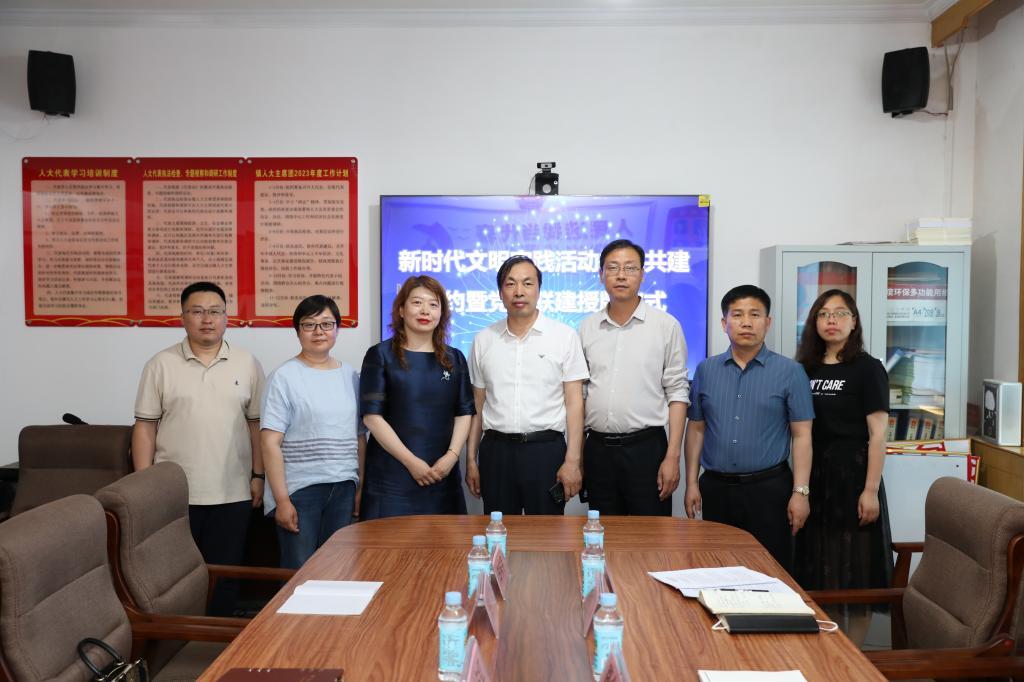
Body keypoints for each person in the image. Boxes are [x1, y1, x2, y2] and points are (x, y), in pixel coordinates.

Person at [133, 281, 265, 615]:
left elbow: (256, 425)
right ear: (183, 317)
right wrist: (144, 486)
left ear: (226, 317)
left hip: (232, 491)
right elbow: (145, 427)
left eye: (215, 311)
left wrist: (258, 475)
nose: (207, 319)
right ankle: (178, 640)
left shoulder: (247, 363)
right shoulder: (160, 364)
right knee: (174, 577)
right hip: (174, 493)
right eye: (197, 311)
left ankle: (217, 639)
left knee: (226, 574)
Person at [683, 285, 814, 572]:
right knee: (717, 569)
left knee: (770, 571)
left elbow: (802, 435)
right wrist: (691, 483)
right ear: (724, 323)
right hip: (716, 489)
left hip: (769, 491)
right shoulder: (706, 370)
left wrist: (801, 492)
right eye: (737, 315)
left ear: (768, 322)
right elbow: (696, 429)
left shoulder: (791, 372)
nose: (746, 322)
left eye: (755, 315)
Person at [793, 289, 893, 644]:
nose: (831, 320)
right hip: (815, 475)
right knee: (823, 568)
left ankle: (855, 655)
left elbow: (878, 434)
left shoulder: (868, 368)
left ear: (854, 321)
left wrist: (870, 490)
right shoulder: (805, 368)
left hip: (855, 477)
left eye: (839, 313)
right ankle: (833, 650)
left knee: (857, 569)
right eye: (823, 314)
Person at [466, 255, 589, 515]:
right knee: (497, 532)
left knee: (547, 535)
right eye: (510, 284)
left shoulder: (564, 337)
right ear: (500, 292)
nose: (519, 291)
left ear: (539, 290)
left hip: (546, 452)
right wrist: (471, 460)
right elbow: (477, 405)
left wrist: (573, 460)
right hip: (496, 452)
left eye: (527, 283)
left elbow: (575, 404)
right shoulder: (484, 340)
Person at [578, 239, 689, 515]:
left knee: (651, 534)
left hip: (646, 450)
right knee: (602, 532)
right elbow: (580, 395)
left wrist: (673, 457)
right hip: (598, 450)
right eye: (612, 268)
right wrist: (577, 456)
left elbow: (677, 392)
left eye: (630, 268)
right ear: (601, 274)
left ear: (642, 274)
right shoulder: (587, 328)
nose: (621, 275)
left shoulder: (665, 326)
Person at [260, 295, 364, 569]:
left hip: (343, 486)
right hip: (300, 491)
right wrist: (282, 501)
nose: (319, 332)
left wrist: (359, 486)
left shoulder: (350, 376)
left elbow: (359, 436)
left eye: (327, 324)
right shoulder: (284, 376)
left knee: (339, 569)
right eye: (309, 324)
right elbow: (270, 443)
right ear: (298, 331)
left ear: (338, 329)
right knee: (299, 571)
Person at [358, 276, 475, 519]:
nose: (425, 311)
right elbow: (372, 418)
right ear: (401, 310)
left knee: (444, 542)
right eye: (417, 302)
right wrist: (411, 462)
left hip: (442, 474)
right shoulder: (380, 355)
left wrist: (452, 457)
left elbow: (464, 412)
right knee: (389, 543)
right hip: (392, 478)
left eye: (433, 304)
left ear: (442, 313)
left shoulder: (454, 358)